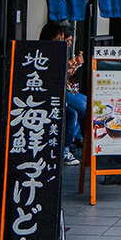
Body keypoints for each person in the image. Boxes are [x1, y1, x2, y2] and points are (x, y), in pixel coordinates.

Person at [39, 20, 84, 165]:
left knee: (80, 108)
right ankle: (71, 146)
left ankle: (72, 144)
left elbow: (66, 77)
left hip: (63, 91)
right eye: (65, 40)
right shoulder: (43, 53)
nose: (68, 44)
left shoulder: (62, 52)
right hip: (50, 94)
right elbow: (51, 78)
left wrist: (72, 68)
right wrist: (67, 70)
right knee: (81, 108)